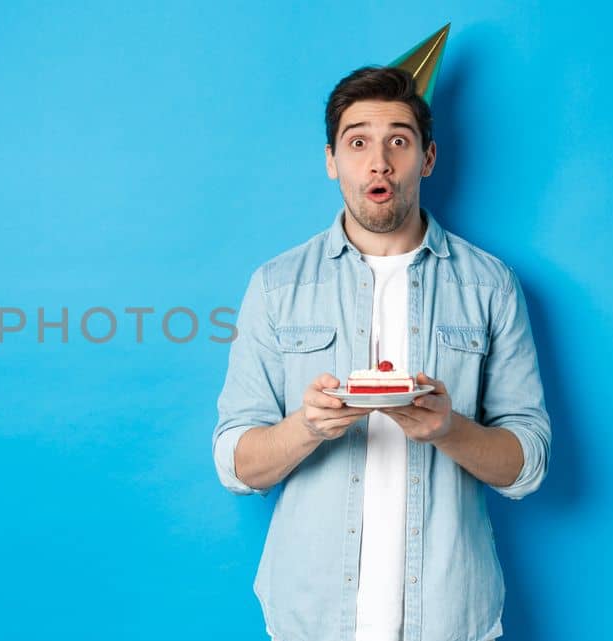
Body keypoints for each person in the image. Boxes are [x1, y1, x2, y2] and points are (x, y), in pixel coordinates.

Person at [211, 65, 551, 641]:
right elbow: (237, 465)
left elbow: (528, 465)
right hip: (310, 620)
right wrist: (310, 425)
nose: (379, 161)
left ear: (429, 158)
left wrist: (448, 428)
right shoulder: (275, 286)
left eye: (399, 140)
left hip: (450, 618)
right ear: (331, 160)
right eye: (358, 141)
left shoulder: (491, 286)